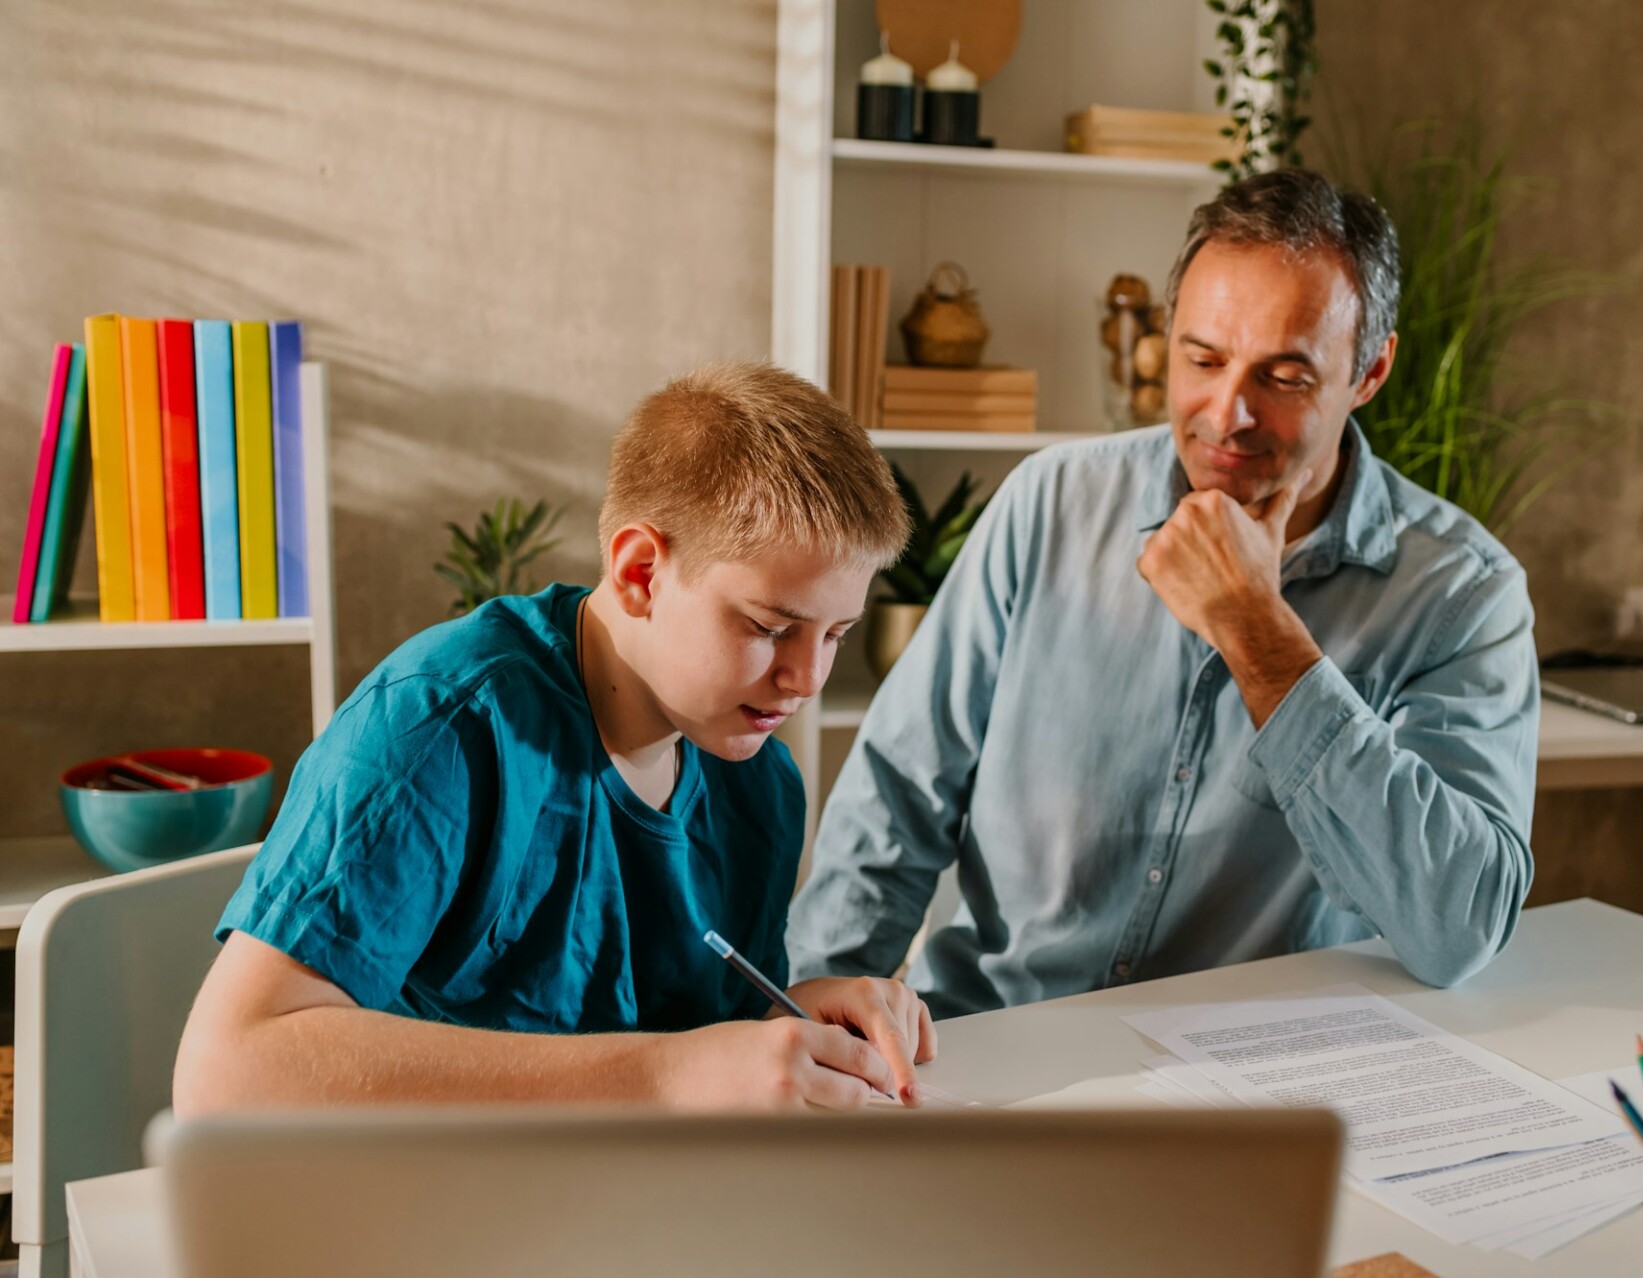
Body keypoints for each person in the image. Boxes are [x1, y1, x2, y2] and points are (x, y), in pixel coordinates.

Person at [789, 168, 1539, 1017]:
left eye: (1285, 377)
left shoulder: (1461, 596)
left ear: (1370, 371)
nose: (1229, 413)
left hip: (1247, 1084)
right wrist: (819, 1003)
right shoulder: (1051, 504)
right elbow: (898, 796)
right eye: (1204, 359)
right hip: (1001, 1044)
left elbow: (1459, 931)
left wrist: (1262, 636)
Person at [175, 363, 938, 1114]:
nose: (807, 678)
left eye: (837, 633)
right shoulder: (441, 726)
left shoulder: (758, 778)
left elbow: (695, 1047)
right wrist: (668, 1075)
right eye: (771, 627)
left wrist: (787, 1026)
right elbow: (227, 1072)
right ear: (641, 573)